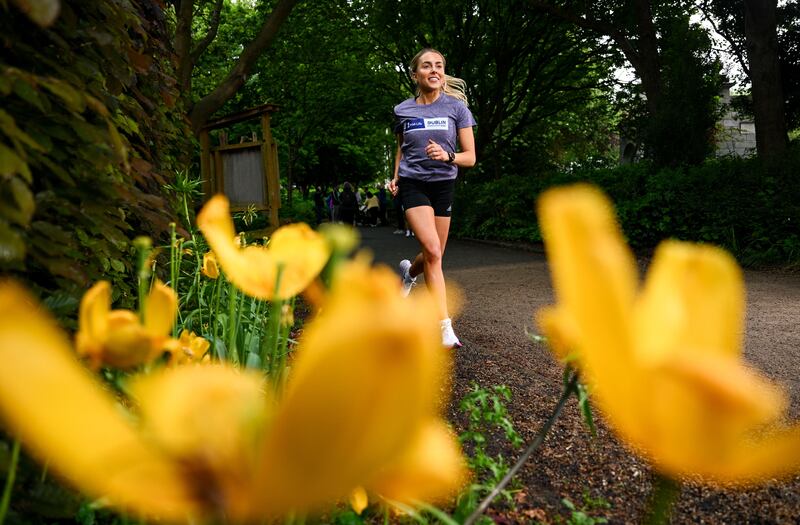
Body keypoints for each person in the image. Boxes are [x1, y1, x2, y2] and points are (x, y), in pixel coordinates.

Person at [388, 48, 476, 349]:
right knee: (434, 252)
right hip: (413, 185)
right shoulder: (402, 110)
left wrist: (447, 155)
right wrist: (396, 176)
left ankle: (408, 274)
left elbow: (470, 157)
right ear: (416, 74)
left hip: (443, 186)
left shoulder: (457, 109)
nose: (434, 70)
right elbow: (402, 147)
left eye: (439, 65)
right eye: (427, 66)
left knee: (432, 255)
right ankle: (444, 326)